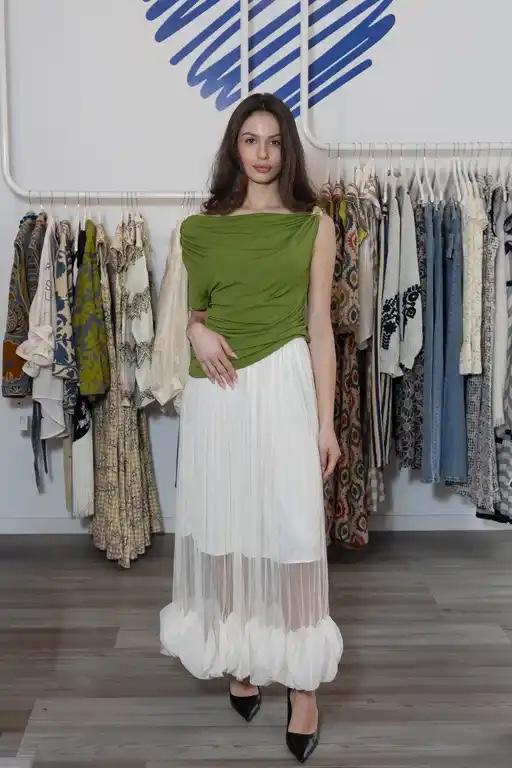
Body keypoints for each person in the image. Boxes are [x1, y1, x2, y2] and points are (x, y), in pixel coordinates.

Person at [160, 92, 344, 763]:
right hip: (218, 391)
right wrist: (195, 332)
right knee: (227, 525)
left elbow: (320, 327)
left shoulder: (313, 225)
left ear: (286, 148)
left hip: (284, 381)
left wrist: (326, 424)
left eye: (273, 140)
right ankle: (241, 653)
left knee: (293, 528)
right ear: (234, 148)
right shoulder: (199, 228)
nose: (262, 153)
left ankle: (302, 685)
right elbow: (193, 313)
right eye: (249, 139)